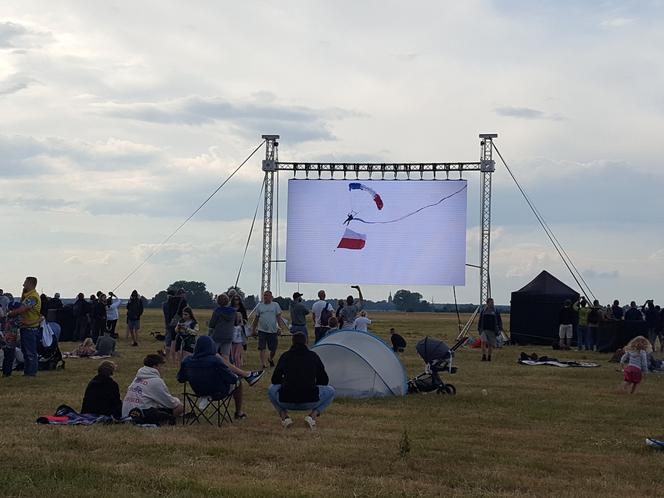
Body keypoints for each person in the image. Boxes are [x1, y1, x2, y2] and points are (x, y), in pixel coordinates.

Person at [177, 336, 264, 420]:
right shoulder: (215, 361)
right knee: (238, 382)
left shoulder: (187, 361)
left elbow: (181, 379)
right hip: (218, 392)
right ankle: (238, 413)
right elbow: (232, 379)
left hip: (198, 392)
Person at [268, 332, 335, 429]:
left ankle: (284, 417)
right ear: (306, 342)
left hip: (286, 400)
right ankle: (312, 416)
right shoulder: (313, 356)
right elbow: (324, 381)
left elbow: (275, 380)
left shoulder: (285, 356)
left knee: (271, 389)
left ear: (292, 342)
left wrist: (285, 381)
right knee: (331, 391)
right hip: (311, 400)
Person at [122, 354, 184, 418]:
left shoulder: (137, 378)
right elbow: (170, 403)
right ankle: (167, 420)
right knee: (179, 407)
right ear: (155, 366)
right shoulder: (156, 381)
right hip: (142, 414)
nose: (164, 369)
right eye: (162, 366)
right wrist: (177, 400)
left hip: (126, 413)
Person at [5, 277, 41, 376]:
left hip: (30, 327)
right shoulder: (29, 296)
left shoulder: (32, 297)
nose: (23, 285)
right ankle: (28, 372)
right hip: (27, 326)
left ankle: (31, 373)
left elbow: (22, 309)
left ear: (30, 283)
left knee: (30, 352)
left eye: (25, 283)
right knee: (26, 351)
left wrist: (10, 314)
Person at [252, 290, 288, 369]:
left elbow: (279, 318)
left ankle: (270, 358)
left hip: (273, 330)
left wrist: (280, 328)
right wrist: (253, 329)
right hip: (262, 330)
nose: (265, 297)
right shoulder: (259, 306)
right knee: (262, 347)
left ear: (271, 297)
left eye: (267, 295)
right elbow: (256, 318)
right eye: (264, 295)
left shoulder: (275, 305)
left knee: (273, 348)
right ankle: (263, 363)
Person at [209, 294, 236, 359]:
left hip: (217, 335)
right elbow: (235, 322)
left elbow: (212, 324)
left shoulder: (217, 311)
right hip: (228, 335)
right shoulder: (233, 311)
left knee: (213, 354)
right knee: (225, 355)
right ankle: (225, 368)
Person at [164, 289, 188, 357]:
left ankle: (171, 356)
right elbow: (185, 312)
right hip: (180, 321)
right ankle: (178, 357)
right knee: (180, 339)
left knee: (172, 340)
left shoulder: (170, 301)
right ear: (182, 294)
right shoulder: (183, 301)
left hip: (172, 321)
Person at [230, 294, 248, 367]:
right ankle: (234, 366)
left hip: (240, 332)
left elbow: (246, 319)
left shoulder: (242, 308)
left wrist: (242, 321)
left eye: (237, 299)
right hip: (232, 330)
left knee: (237, 354)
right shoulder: (230, 308)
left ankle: (238, 366)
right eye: (235, 299)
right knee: (232, 354)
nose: (236, 301)